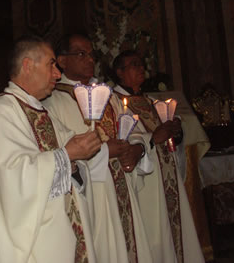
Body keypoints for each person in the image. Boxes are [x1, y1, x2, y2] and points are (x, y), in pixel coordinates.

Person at [0, 35, 101, 263]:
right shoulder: (0, 111)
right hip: (35, 243)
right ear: (27, 66)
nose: (58, 74)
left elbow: (74, 162)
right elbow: (11, 179)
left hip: (64, 232)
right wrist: (67, 155)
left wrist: (75, 159)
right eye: (51, 64)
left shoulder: (43, 112)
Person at [43, 33, 154, 263]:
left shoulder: (108, 95)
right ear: (62, 61)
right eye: (81, 54)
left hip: (124, 190)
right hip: (96, 197)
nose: (90, 59)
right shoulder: (53, 102)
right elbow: (62, 156)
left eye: (92, 54)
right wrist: (105, 152)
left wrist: (137, 150)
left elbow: (135, 133)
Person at [112, 50, 205, 263]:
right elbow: (125, 139)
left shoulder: (150, 100)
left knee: (173, 229)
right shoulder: (115, 103)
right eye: (134, 64)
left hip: (166, 176)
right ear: (120, 72)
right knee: (154, 232)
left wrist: (175, 130)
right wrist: (153, 138)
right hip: (146, 180)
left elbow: (170, 139)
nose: (141, 69)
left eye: (141, 64)